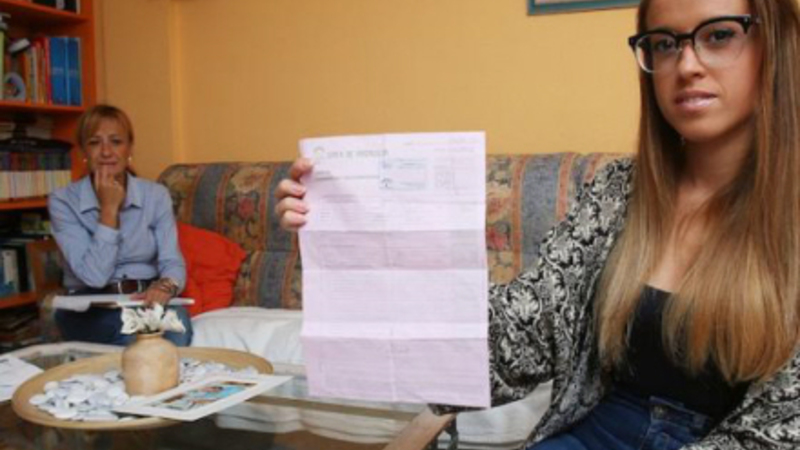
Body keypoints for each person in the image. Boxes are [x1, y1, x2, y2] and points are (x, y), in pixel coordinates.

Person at [275, 0, 800, 448]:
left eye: (719, 35)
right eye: (663, 43)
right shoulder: (618, 192)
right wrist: (350, 238)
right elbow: (524, 333)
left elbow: (778, 431)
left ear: (775, 43)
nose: (686, 64)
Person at [49, 104, 192, 347]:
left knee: (176, 329)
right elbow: (94, 277)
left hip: (144, 299)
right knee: (134, 337)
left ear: (129, 148)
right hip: (89, 306)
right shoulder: (62, 201)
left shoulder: (156, 195)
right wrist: (109, 211)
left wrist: (165, 287)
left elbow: (172, 261)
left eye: (116, 142)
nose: (106, 152)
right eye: (95, 142)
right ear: (83, 151)